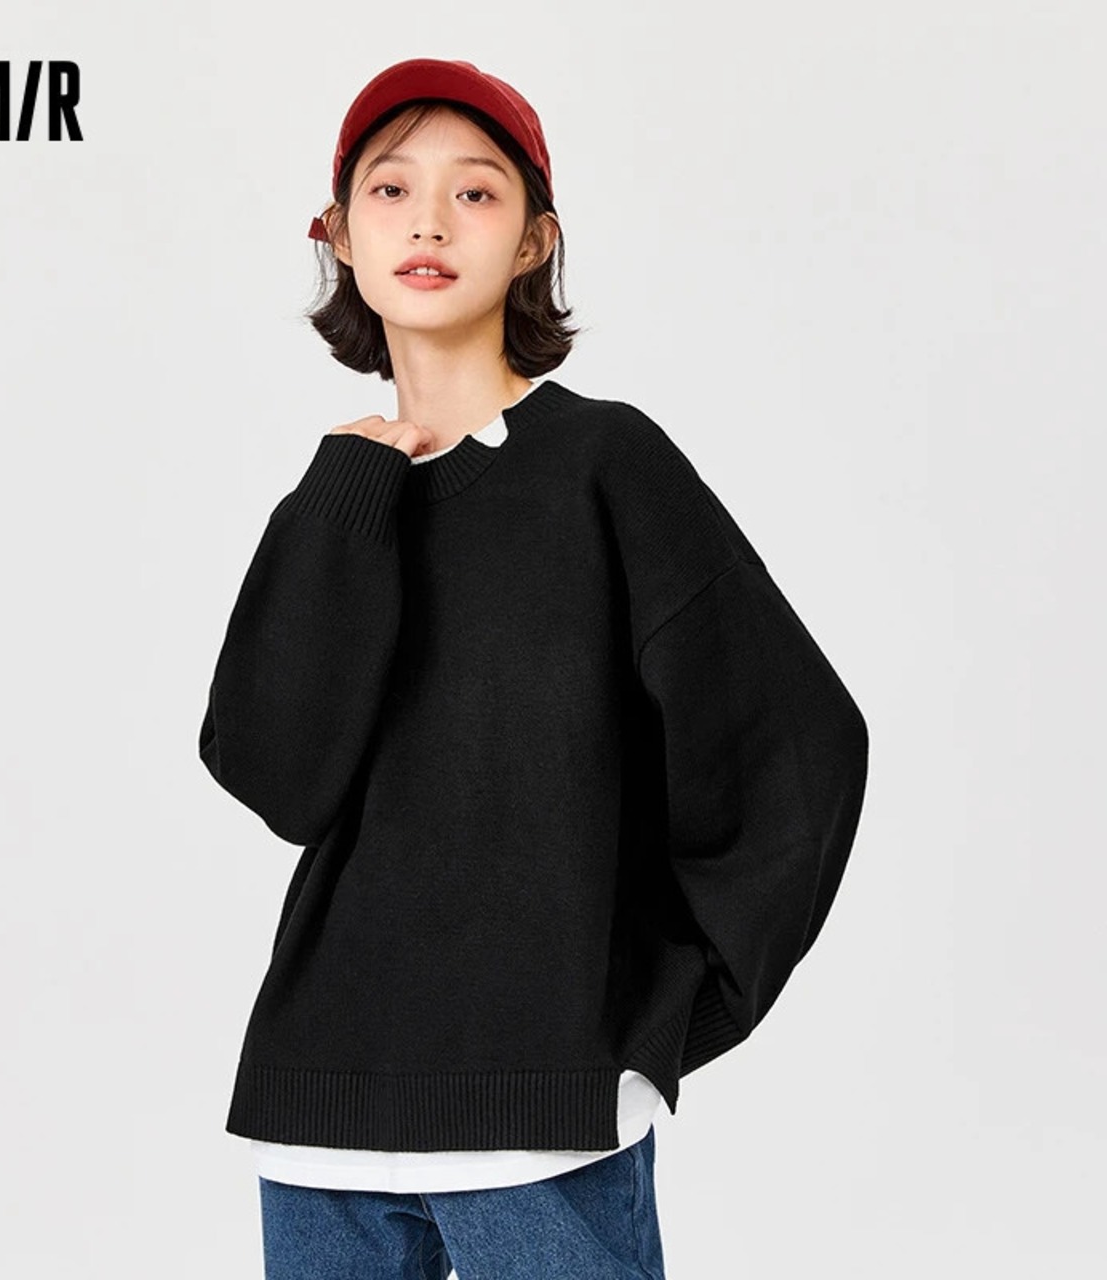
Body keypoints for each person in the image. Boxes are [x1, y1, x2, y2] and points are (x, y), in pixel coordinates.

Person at [198, 57, 870, 1280]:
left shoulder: (604, 465)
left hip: (546, 1121)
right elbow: (275, 776)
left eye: (475, 192)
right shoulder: (336, 503)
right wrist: (349, 494)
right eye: (390, 189)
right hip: (319, 1108)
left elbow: (796, 744)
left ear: (531, 242)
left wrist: (673, 1004)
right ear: (336, 235)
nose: (428, 222)